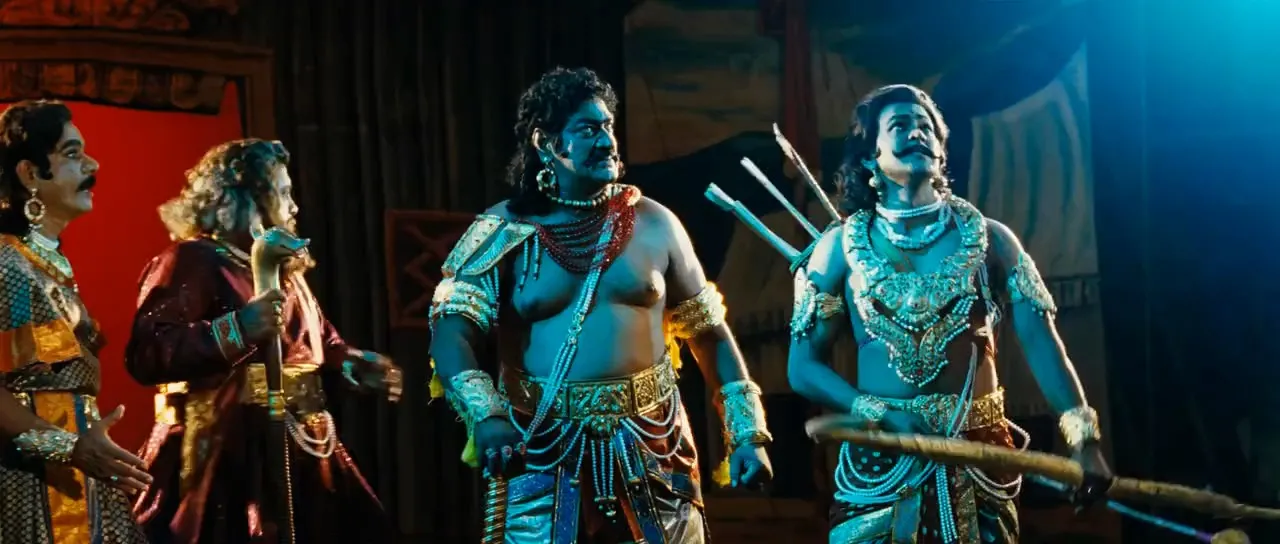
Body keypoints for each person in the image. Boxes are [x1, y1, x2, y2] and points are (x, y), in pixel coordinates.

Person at [428, 66, 774, 543]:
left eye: (609, 126)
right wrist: (486, 415)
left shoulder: (657, 224)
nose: (608, 141)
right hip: (542, 447)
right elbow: (451, 334)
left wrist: (748, 435)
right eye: (589, 129)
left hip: (654, 444)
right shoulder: (502, 232)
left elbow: (710, 336)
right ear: (546, 142)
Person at [787, 84, 1111, 543]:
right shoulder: (837, 249)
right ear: (869, 157)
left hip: (979, 456)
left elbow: (1043, 344)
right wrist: (879, 413)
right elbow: (802, 367)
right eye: (899, 126)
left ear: (941, 153)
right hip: (882, 460)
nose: (916, 133)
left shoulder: (993, 240)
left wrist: (1085, 441)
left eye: (926, 126)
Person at [125, 138, 404, 544]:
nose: (294, 207)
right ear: (242, 200)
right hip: (226, 461)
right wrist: (238, 328)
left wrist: (349, 361)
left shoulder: (285, 271)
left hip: (303, 453)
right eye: (283, 193)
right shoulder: (194, 260)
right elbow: (149, 351)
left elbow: (318, 339)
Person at [0, 99, 150, 543]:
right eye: (71, 153)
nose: (92, 164)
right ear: (30, 174)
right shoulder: (7, 264)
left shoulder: (46, 263)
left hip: (77, 476)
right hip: (25, 485)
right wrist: (67, 446)